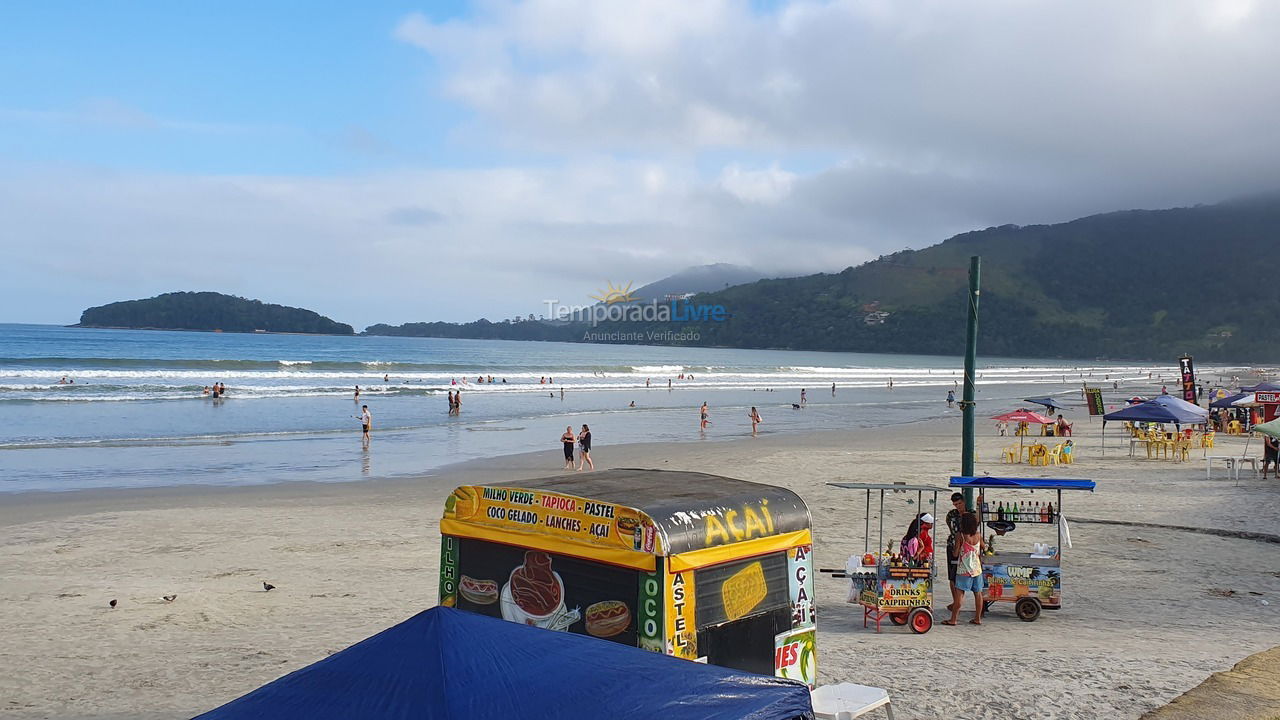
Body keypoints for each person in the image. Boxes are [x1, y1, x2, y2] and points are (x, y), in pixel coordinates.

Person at [945, 512, 985, 626]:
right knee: (978, 594)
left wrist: (954, 550)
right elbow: (983, 546)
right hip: (976, 569)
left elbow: (956, 553)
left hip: (964, 569)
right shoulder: (978, 535)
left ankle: (953, 619)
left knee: (959, 595)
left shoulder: (960, 536)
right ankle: (977, 618)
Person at [944, 493, 966, 612]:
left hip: (966, 548)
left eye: (959, 504)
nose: (958, 506)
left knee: (964, 575)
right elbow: (952, 528)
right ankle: (956, 601)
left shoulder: (970, 514)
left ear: (963, 501)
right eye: (955, 504)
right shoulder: (952, 514)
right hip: (952, 545)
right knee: (952, 575)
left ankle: (959, 601)